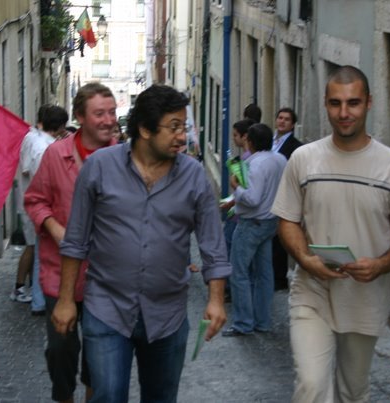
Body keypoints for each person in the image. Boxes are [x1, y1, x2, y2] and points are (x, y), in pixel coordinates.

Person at [52, 84, 231, 402]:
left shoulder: (193, 176)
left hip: (167, 314)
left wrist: (216, 299)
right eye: (174, 127)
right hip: (107, 307)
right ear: (146, 130)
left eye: (184, 126)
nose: (182, 136)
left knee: (161, 397)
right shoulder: (100, 167)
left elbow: (212, 244)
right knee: (107, 394)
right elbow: (76, 240)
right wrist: (66, 300)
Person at [271, 65, 390, 402]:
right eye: (335, 103)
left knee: (352, 391)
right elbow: (287, 220)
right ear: (325, 104)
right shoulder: (303, 159)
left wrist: (381, 265)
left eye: (353, 103)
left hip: (364, 299)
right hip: (311, 290)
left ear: (369, 102)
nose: (344, 113)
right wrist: (305, 259)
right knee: (311, 386)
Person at [24, 83, 118, 403]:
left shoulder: (123, 156)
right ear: (80, 117)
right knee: (60, 349)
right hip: (59, 272)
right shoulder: (56, 154)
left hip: (105, 277)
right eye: (99, 113)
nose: (109, 120)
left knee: (99, 357)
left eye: (112, 112)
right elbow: (35, 201)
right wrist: (54, 228)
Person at [221, 123, 287, 337]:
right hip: (270, 222)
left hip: (252, 223)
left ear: (250, 141)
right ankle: (262, 320)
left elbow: (252, 198)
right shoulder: (280, 159)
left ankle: (243, 322)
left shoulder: (256, 164)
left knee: (238, 272)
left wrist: (236, 187)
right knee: (264, 273)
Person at [12, 105, 69, 315]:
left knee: (35, 249)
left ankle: (33, 295)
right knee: (40, 251)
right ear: (61, 126)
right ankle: (38, 300)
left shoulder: (31, 138)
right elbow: (43, 180)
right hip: (38, 207)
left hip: (29, 204)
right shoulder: (44, 148)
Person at [220, 118, 257, 302]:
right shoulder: (250, 158)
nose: (233, 139)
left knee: (232, 252)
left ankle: (233, 290)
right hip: (240, 211)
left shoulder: (247, 160)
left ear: (245, 137)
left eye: (235, 135)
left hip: (239, 214)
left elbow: (247, 191)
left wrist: (232, 201)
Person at [271, 107, 303, 290]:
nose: (282, 121)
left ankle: (279, 277)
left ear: (293, 125)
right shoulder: (270, 141)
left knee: (280, 238)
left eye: (287, 119)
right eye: (280, 118)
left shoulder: (295, 147)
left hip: (284, 193)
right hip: (269, 194)